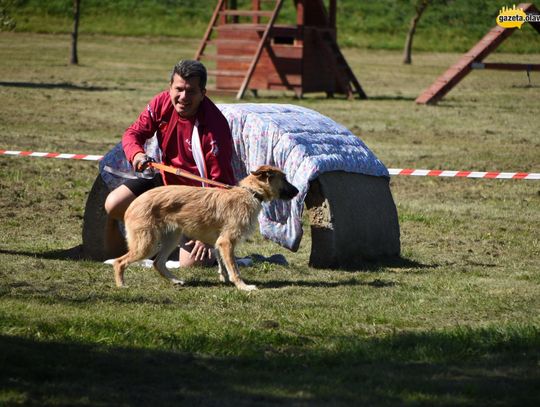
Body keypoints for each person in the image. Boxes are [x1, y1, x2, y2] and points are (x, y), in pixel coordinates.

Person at [104, 60, 236, 266]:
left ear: (203, 93)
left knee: (193, 265)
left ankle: (239, 259)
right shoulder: (161, 103)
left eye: (191, 91)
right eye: (179, 89)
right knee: (114, 204)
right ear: (170, 87)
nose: (183, 97)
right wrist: (137, 154)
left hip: (196, 202)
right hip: (163, 184)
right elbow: (133, 133)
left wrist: (207, 234)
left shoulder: (215, 128)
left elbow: (221, 188)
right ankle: (153, 241)